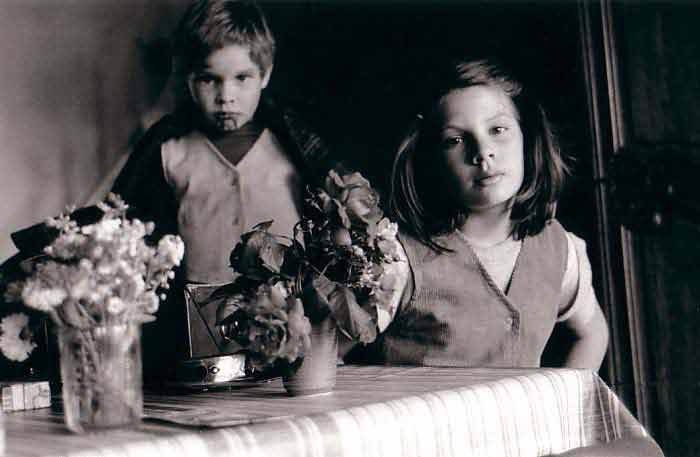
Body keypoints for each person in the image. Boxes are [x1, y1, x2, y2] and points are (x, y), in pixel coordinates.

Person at [109, 0, 331, 384]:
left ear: (266, 73)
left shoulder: (293, 147)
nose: (226, 96)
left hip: (290, 335)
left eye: (242, 78)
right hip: (199, 343)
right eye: (208, 79)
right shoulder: (168, 150)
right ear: (187, 78)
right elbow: (127, 232)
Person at [348, 58, 609, 370]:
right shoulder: (398, 261)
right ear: (431, 162)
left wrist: (563, 409)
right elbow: (326, 358)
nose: (482, 152)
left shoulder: (559, 250)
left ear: (527, 138)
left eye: (498, 130)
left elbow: (593, 333)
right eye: (455, 140)